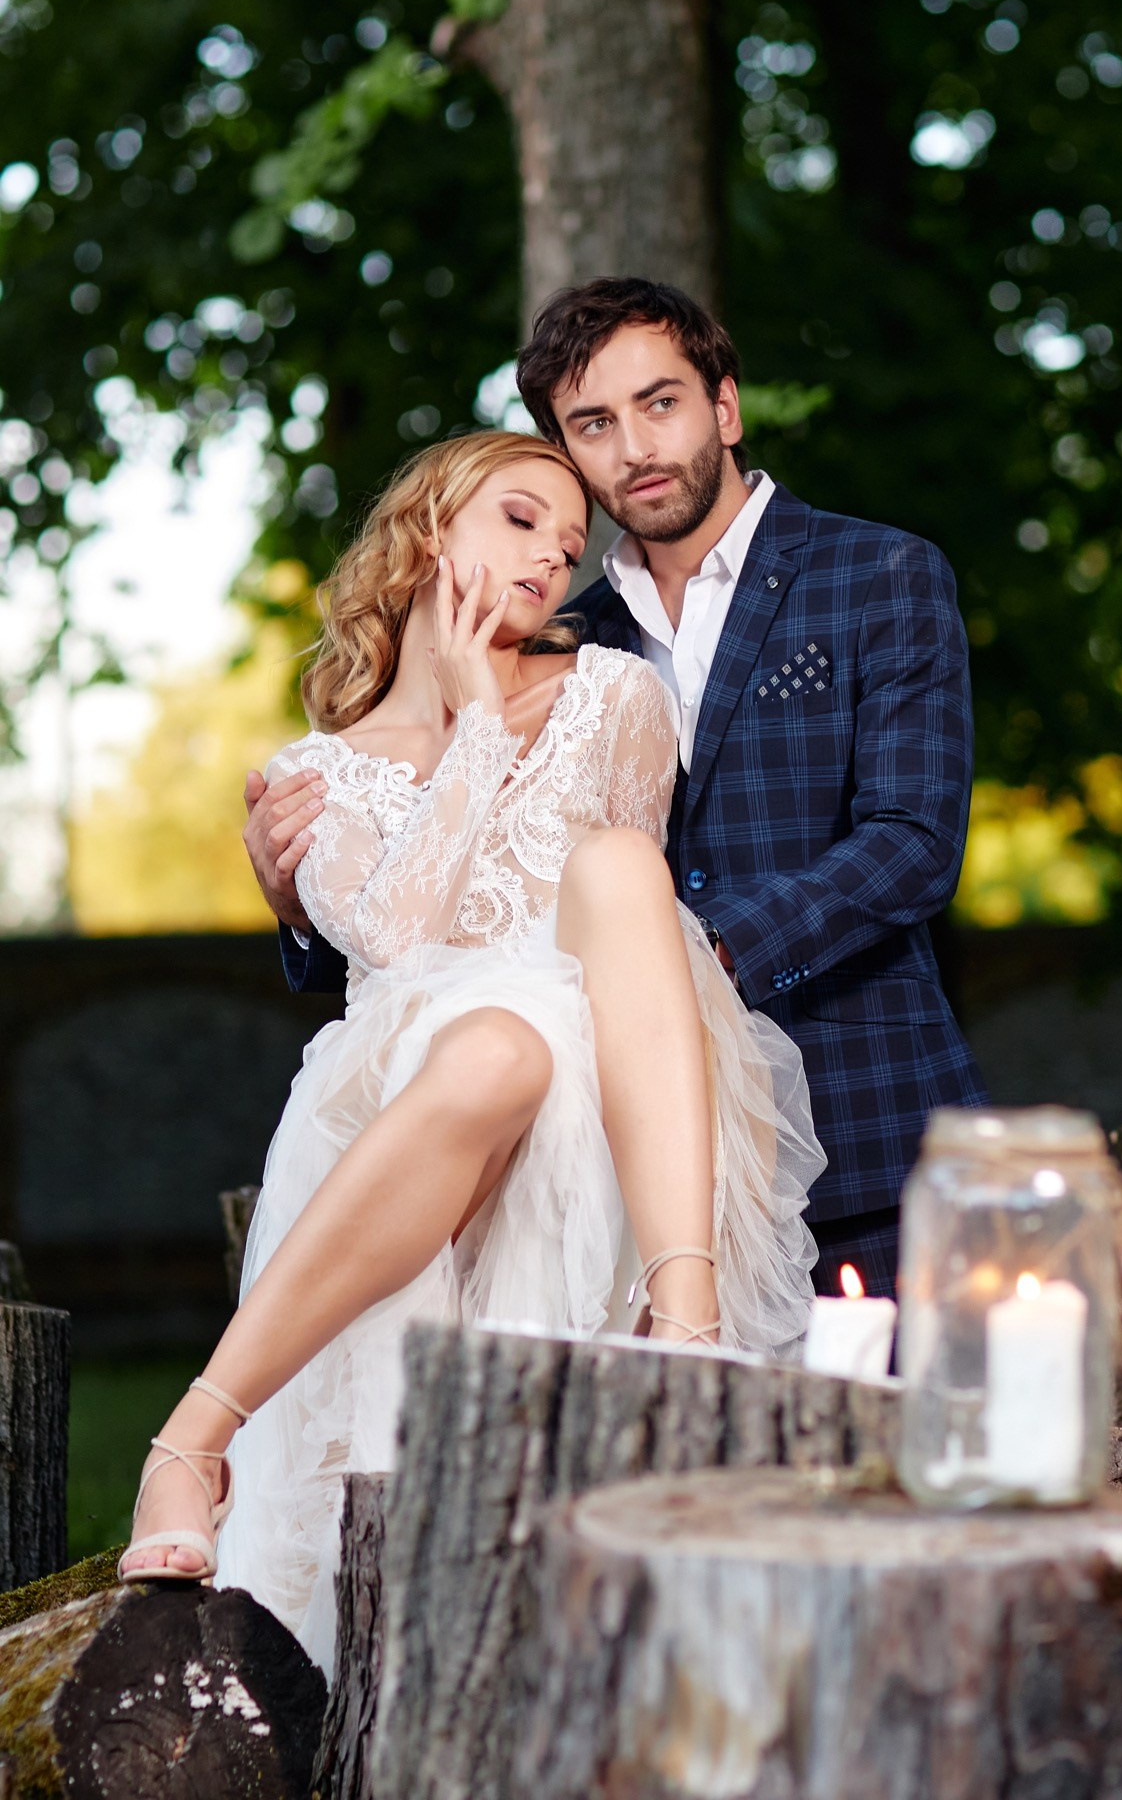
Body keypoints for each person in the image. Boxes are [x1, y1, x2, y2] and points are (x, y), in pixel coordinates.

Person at [118, 429, 821, 1675]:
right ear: (432, 526)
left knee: (610, 877)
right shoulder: (315, 774)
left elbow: (635, 932)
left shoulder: (615, 696)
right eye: (519, 518)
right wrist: (478, 723)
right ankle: (190, 1440)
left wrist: (503, 712)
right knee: (492, 1044)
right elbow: (397, 938)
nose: (553, 557)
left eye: (571, 541)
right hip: (421, 1106)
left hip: (614, 1116)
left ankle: (686, 1326)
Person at [248, 281, 987, 1296]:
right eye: (593, 423)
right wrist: (299, 909)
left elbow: (911, 841)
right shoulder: (561, 637)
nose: (634, 447)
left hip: (863, 1128)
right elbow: (455, 900)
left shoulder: (877, 573)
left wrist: (691, 953)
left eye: (660, 402)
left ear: (723, 406)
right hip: (609, 1178)